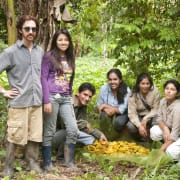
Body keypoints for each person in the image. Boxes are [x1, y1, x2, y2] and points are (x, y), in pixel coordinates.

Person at [0, 15, 44, 177]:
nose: (31, 32)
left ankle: (32, 162)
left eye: (34, 29)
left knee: (34, 134)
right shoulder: (10, 52)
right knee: (14, 135)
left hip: (36, 101)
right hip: (19, 102)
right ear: (20, 30)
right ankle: (9, 167)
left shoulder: (40, 51)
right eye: (27, 29)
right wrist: (4, 91)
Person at [41, 28, 79, 170]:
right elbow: (43, 79)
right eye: (60, 39)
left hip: (65, 98)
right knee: (49, 129)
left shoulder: (70, 57)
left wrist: (69, 94)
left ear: (69, 41)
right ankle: (47, 163)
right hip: (51, 96)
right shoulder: (48, 56)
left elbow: (69, 79)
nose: (63, 42)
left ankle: (68, 161)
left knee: (73, 129)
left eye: (66, 39)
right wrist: (46, 100)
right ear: (55, 41)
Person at [52, 82, 107, 160]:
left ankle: (62, 153)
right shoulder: (67, 103)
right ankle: (62, 157)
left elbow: (85, 127)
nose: (87, 98)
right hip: (54, 136)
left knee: (91, 139)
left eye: (90, 96)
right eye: (85, 94)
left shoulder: (83, 106)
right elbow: (66, 125)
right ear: (78, 92)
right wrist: (85, 124)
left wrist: (99, 134)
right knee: (74, 132)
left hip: (67, 134)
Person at [150, 79, 180, 160]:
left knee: (171, 152)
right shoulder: (163, 101)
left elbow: (175, 134)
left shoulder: (178, 108)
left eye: (172, 89)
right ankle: (166, 145)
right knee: (154, 131)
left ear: (177, 93)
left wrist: (160, 151)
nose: (169, 91)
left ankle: (170, 149)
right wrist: (165, 128)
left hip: (177, 134)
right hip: (170, 130)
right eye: (167, 88)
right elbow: (158, 118)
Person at [97, 68, 131, 138]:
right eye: (110, 79)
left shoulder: (126, 90)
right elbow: (99, 105)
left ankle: (118, 134)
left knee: (119, 122)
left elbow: (121, 110)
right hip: (108, 110)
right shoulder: (103, 88)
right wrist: (105, 109)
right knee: (103, 116)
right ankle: (105, 135)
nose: (112, 82)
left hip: (123, 112)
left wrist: (105, 105)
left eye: (115, 79)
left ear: (120, 80)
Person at [128, 73, 160, 141]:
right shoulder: (133, 93)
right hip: (139, 116)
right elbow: (132, 113)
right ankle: (140, 137)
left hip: (151, 115)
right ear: (138, 84)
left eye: (147, 83)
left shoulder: (155, 91)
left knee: (157, 121)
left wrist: (146, 118)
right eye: (142, 83)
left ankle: (153, 138)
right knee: (130, 126)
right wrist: (139, 126)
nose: (145, 86)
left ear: (150, 84)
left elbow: (155, 109)